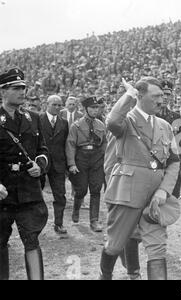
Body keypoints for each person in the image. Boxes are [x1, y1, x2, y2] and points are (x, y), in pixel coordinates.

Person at [99, 77, 180, 280]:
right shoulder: (127, 121)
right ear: (140, 96)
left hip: (155, 198)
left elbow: (173, 161)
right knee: (115, 244)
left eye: (163, 96)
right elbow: (112, 121)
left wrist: (164, 190)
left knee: (157, 248)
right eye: (156, 96)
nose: (161, 101)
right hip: (127, 194)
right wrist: (129, 95)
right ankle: (104, 276)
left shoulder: (165, 126)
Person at [0, 68, 49, 280]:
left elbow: (43, 150)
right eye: (16, 88)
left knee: (32, 241)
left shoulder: (34, 118)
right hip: (3, 193)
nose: (22, 91)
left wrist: (40, 165)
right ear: (2, 92)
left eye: (23, 87)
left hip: (29, 191)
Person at [66, 96, 106, 232]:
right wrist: (71, 164)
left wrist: (103, 160)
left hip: (96, 159)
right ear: (85, 109)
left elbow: (104, 144)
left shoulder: (101, 125)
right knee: (81, 190)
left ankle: (94, 221)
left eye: (97, 108)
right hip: (81, 158)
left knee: (96, 190)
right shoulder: (76, 126)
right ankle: (76, 210)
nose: (96, 110)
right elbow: (71, 145)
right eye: (93, 108)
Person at [39, 95, 69, 235]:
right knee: (36, 195)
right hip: (41, 162)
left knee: (60, 195)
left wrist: (68, 164)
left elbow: (66, 144)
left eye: (59, 105)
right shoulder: (38, 119)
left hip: (58, 164)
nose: (57, 107)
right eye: (54, 104)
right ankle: (36, 226)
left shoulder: (64, 123)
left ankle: (59, 224)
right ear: (47, 104)